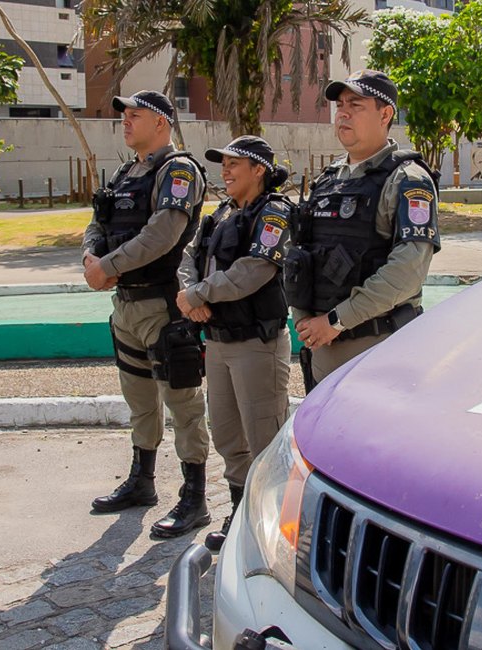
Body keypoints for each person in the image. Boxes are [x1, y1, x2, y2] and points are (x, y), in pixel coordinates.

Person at [83, 89, 212, 539]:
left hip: (163, 304)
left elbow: (162, 234)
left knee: (182, 402)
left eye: (135, 115)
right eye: (125, 115)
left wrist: (108, 266)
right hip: (126, 305)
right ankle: (142, 481)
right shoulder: (125, 172)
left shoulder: (179, 171)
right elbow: (97, 222)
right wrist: (90, 261)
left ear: (162, 123)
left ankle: (195, 497)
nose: (126, 122)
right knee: (139, 399)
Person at [286, 70, 440, 391]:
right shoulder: (328, 180)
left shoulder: (408, 180)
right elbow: (303, 254)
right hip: (321, 347)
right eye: (340, 105)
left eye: (355, 105)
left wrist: (335, 321)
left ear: (385, 114)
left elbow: (406, 272)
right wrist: (304, 318)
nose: (342, 112)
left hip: (375, 350)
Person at [176, 136, 292, 552]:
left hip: (255, 344)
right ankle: (241, 512)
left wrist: (200, 294)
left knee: (263, 437)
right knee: (227, 435)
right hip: (219, 342)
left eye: (234, 164)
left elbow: (254, 270)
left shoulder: (275, 213)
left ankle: (273, 524)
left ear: (258, 169)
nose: (224, 171)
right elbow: (189, 256)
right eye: (222, 164)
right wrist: (191, 296)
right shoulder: (220, 213)